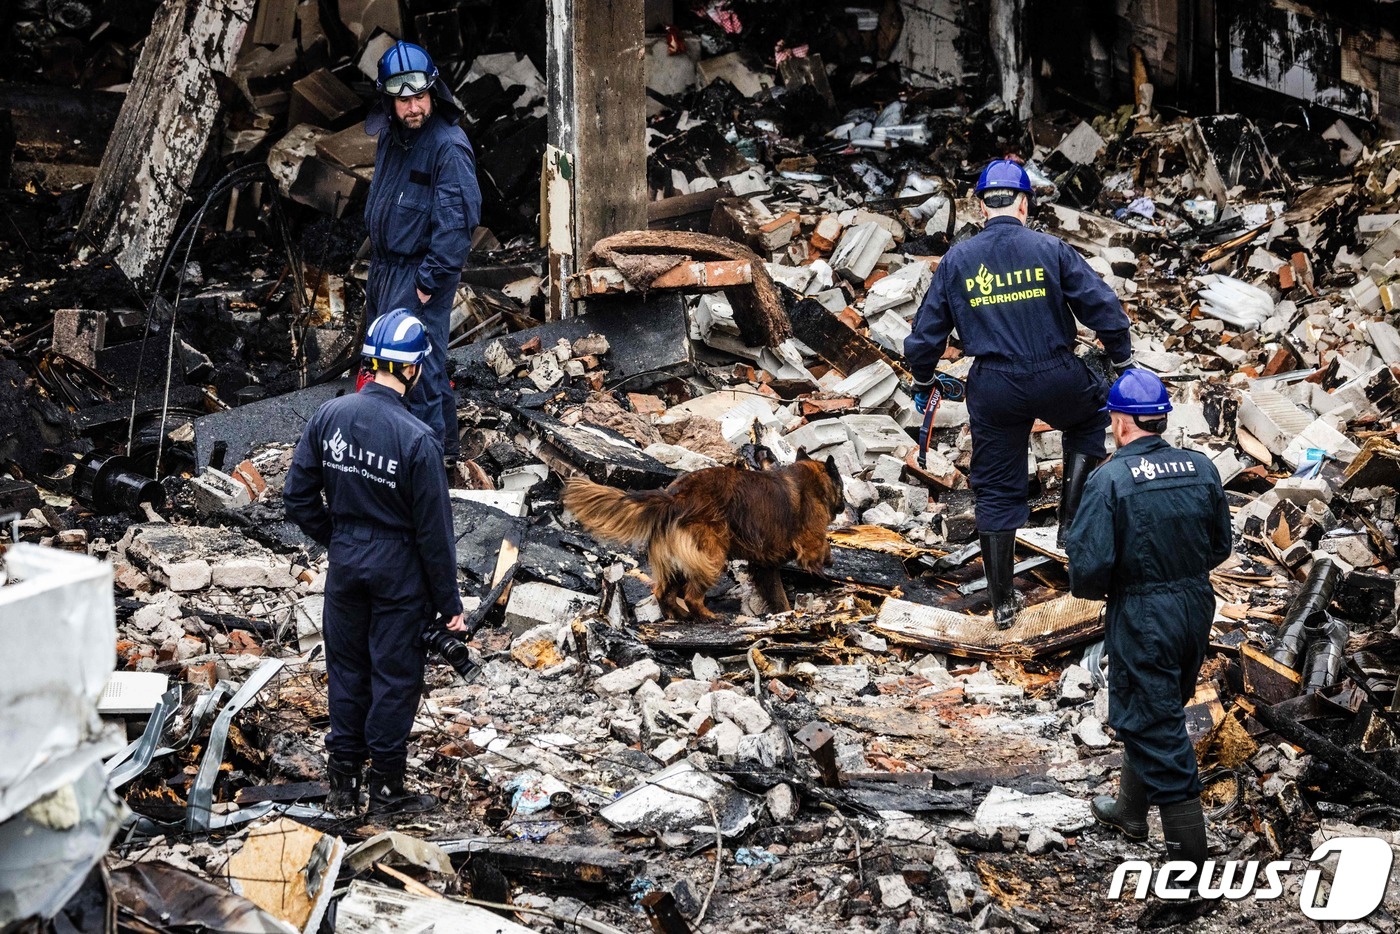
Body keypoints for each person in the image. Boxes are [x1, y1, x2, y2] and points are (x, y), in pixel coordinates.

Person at [904, 158, 1134, 628]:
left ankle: (1003, 602)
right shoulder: (1050, 247)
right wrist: (1122, 357)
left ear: (982, 205)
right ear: (1025, 202)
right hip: (1057, 373)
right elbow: (1102, 305)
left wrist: (924, 379)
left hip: (995, 385)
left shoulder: (958, 260)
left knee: (994, 486)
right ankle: (1070, 522)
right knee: (1088, 419)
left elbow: (926, 335)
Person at [283, 309, 465, 815]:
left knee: (346, 669)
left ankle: (342, 786)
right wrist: (449, 603)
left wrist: (338, 538)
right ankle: (386, 788)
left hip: (346, 564)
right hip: (398, 571)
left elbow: (296, 498)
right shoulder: (418, 439)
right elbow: (435, 535)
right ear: (412, 369)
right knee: (395, 675)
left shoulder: (330, 416)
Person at [1064, 369, 1232, 882]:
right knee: (1157, 705)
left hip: (1144, 612)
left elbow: (1088, 570)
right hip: (1195, 605)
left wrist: (1120, 587)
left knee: (1154, 721)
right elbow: (1220, 546)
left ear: (1120, 422)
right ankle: (1131, 812)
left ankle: (1190, 866)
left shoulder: (1111, 478)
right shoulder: (1201, 467)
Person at [365, 40, 482, 467]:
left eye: (419, 97)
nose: (413, 108)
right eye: (402, 100)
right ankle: (420, 450)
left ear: (433, 92)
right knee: (386, 362)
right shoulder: (391, 140)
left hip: (420, 274)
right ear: (388, 102)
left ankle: (433, 463)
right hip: (386, 269)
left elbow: (457, 224)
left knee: (418, 371)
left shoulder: (447, 146)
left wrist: (428, 283)